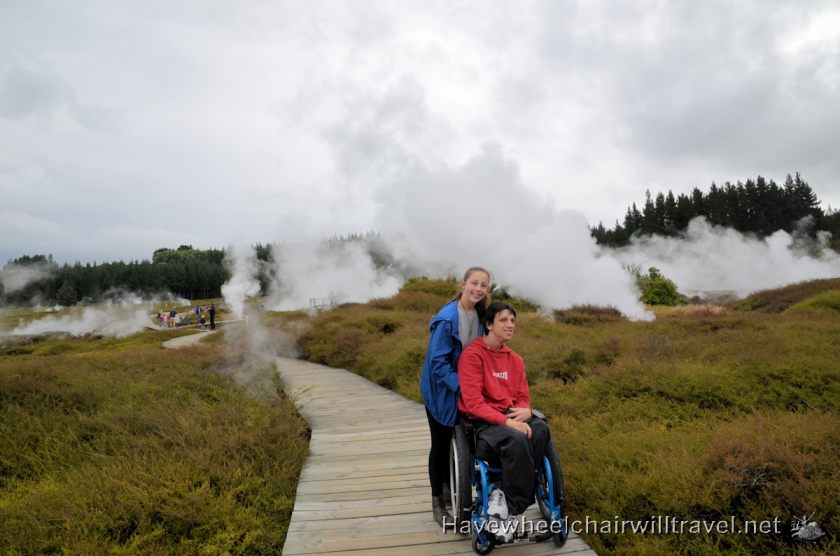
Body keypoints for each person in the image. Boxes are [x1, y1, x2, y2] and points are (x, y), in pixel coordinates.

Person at [458, 301, 554, 542]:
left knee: (541, 428)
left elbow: (523, 396)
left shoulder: (515, 360)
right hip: (485, 426)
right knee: (517, 438)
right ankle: (512, 505)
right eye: (503, 320)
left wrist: (526, 409)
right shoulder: (473, 356)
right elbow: (473, 403)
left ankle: (504, 497)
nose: (510, 325)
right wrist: (507, 422)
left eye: (512, 320)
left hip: (512, 419)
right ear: (489, 324)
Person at [420, 267, 491, 528]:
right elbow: (437, 364)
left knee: (463, 441)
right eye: (474, 283)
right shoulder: (447, 319)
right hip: (441, 390)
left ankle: (454, 489)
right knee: (440, 445)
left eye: (483, 285)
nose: (478, 289)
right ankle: (437, 501)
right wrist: (466, 388)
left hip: (466, 388)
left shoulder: (483, 315)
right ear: (463, 284)